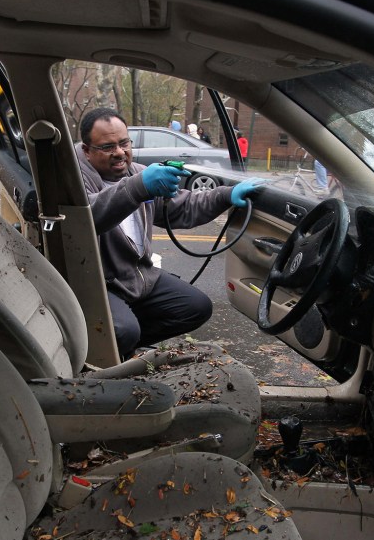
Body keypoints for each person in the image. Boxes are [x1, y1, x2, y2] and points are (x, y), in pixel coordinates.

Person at [78, 107, 261, 358]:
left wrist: (226, 195)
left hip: (138, 277)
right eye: (107, 147)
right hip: (101, 284)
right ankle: (109, 352)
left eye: (124, 143)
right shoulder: (75, 183)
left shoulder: (139, 174)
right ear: (87, 151)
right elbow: (91, 215)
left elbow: (184, 207)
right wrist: (138, 188)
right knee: (123, 331)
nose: (120, 152)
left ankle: (122, 346)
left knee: (196, 307)